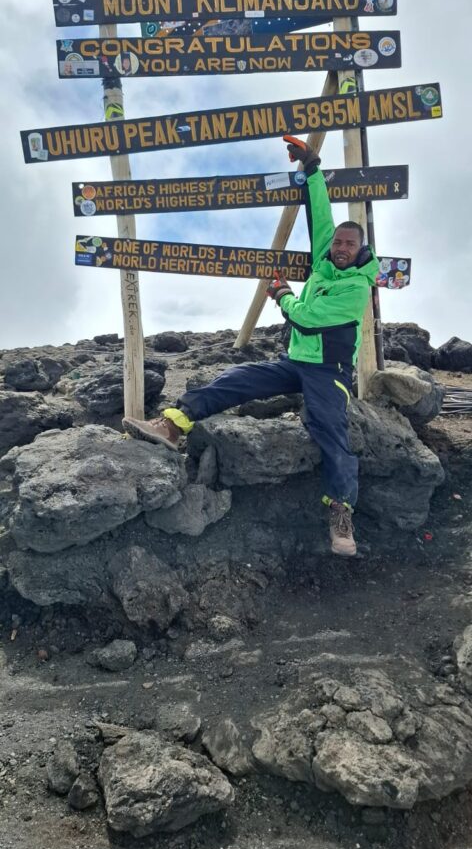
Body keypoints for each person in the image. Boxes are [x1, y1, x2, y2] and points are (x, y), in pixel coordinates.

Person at [122, 137, 380, 557]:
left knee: (331, 430)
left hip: (328, 372)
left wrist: (280, 293)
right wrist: (312, 169)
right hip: (294, 361)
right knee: (235, 378)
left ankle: (341, 514)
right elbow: (321, 218)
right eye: (338, 244)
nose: (341, 248)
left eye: (349, 244)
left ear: (362, 250)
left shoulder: (357, 287)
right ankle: (172, 425)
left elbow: (306, 319)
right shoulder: (324, 264)